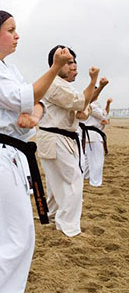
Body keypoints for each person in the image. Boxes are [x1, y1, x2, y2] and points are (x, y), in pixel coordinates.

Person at [0, 9, 73, 293]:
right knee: (10, 238)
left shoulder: (7, 69)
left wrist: (32, 112)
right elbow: (25, 99)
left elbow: (32, 106)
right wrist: (54, 69)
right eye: (11, 29)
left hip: (11, 154)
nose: (16, 35)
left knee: (22, 234)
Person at [37, 45, 100, 237]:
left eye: (74, 61)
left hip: (60, 138)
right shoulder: (54, 84)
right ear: (56, 63)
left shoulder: (63, 86)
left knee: (57, 182)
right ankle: (68, 227)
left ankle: (54, 216)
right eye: (68, 61)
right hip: (56, 137)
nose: (73, 66)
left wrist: (85, 108)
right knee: (73, 180)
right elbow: (81, 103)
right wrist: (94, 81)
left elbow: (82, 110)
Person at [82, 79, 111, 186]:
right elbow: (103, 115)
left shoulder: (92, 105)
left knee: (87, 160)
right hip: (91, 135)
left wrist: (108, 104)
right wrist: (103, 119)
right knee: (96, 160)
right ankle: (95, 182)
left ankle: (87, 178)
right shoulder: (91, 105)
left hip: (88, 136)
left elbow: (104, 115)